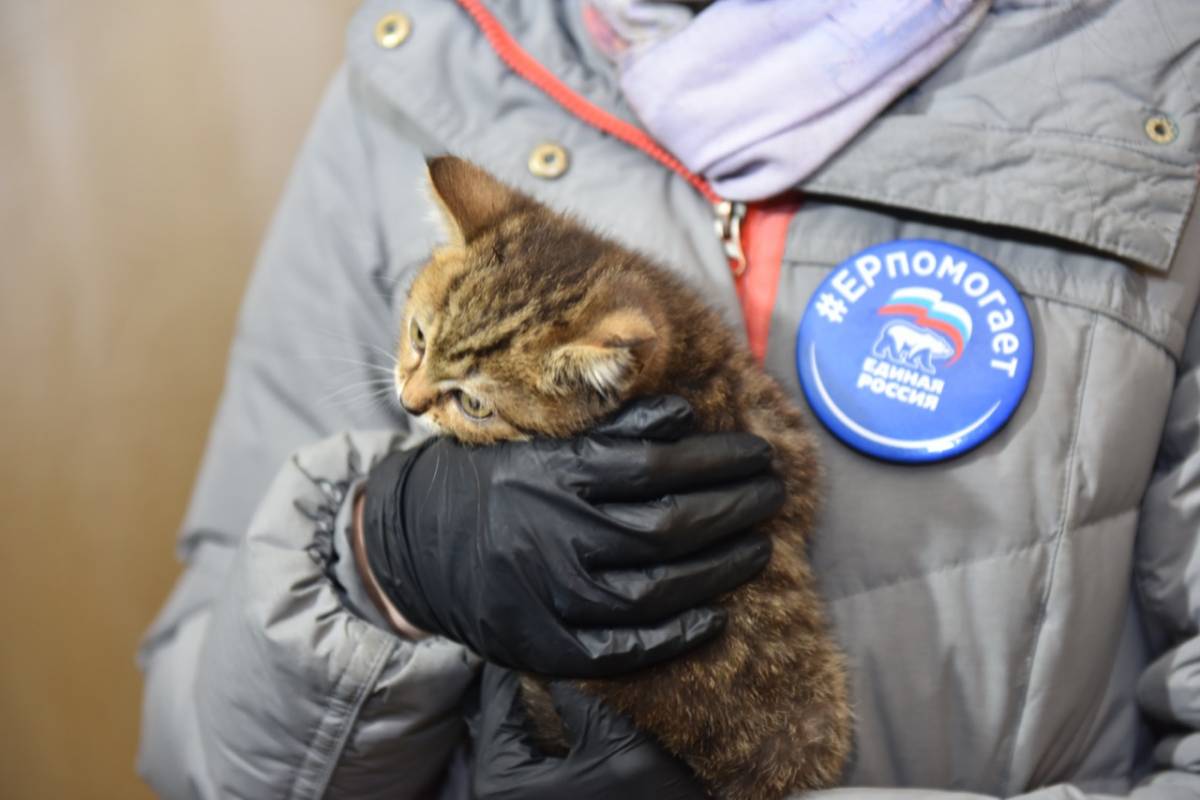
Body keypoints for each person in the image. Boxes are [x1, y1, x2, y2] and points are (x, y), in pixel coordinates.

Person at [137, 1, 1200, 798]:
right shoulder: (423, 61)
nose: (407, 391)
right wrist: (382, 558)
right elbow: (198, 742)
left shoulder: (1165, 75)